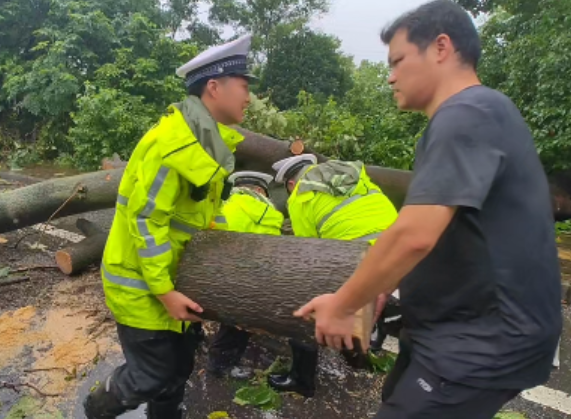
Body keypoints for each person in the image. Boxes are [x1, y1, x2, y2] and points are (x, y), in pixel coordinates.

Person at [294, 1, 562, 418]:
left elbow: (414, 234)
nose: (390, 76)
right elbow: (446, 231)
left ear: (441, 47)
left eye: (398, 60)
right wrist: (382, 285)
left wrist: (344, 304)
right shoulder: (473, 115)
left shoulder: (466, 115)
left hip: (482, 342)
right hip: (452, 331)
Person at [83, 34, 255, 419]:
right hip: (142, 287)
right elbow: (146, 221)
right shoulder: (173, 144)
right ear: (215, 87)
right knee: (150, 374)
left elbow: (208, 221)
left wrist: (232, 279)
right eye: (244, 87)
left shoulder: (205, 144)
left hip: (173, 281)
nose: (249, 98)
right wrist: (164, 292)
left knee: (177, 370)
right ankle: (94, 409)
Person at [268, 154, 399, 397]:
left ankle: (301, 379)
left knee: (303, 307)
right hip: (396, 249)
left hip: (357, 255)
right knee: (372, 298)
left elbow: (309, 250)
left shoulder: (300, 195)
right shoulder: (354, 177)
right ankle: (360, 355)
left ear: (290, 184)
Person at [207, 171, 285, 377]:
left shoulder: (224, 206)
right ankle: (221, 366)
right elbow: (271, 250)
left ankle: (204, 347)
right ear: (259, 191)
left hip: (213, 273)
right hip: (245, 279)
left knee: (227, 321)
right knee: (237, 326)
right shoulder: (262, 211)